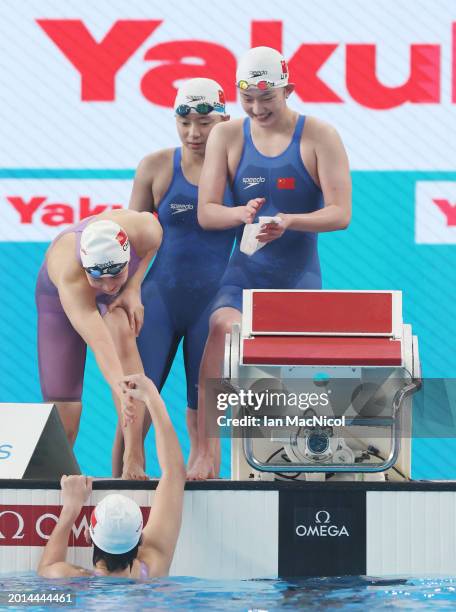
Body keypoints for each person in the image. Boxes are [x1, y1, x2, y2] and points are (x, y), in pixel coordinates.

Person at [187, 46, 352, 479]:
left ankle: (291, 454)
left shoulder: (320, 136)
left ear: (288, 90)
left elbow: (340, 213)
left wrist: (290, 221)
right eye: (248, 99)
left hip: (298, 274)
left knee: (289, 358)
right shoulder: (227, 135)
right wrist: (240, 215)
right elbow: (207, 212)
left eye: (267, 98)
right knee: (221, 327)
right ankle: (206, 450)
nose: (257, 109)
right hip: (245, 271)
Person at [119, 78, 234, 473]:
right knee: (136, 390)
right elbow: (127, 242)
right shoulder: (155, 167)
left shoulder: (240, 172)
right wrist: (126, 293)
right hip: (158, 300)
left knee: (203, 400)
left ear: (226, 120)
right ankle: (126, 478)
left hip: (213, 302)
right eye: (184, 121)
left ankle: (206, 479)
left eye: (205, 122)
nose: (193, 132)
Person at [35, 209, 162, 479]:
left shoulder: (144, 229)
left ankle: (134, 456)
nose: (107, 286)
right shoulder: (70, 273)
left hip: (100, 293)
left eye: (116, 275)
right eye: (98, 278)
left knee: (122, 332)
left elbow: (153, 246)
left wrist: (132, 287)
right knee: (64, 410)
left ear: (128, 257)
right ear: (85, 268)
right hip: (57, 302)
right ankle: (57, 480)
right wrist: (118, 384)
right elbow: (99, 342)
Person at [37, 373, 186, 579]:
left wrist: (70, 509)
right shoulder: (153, 569)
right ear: (141, 539)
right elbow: (175, 473)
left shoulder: (74, 580)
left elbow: (46, 567)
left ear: (89, 536)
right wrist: (152, 397)